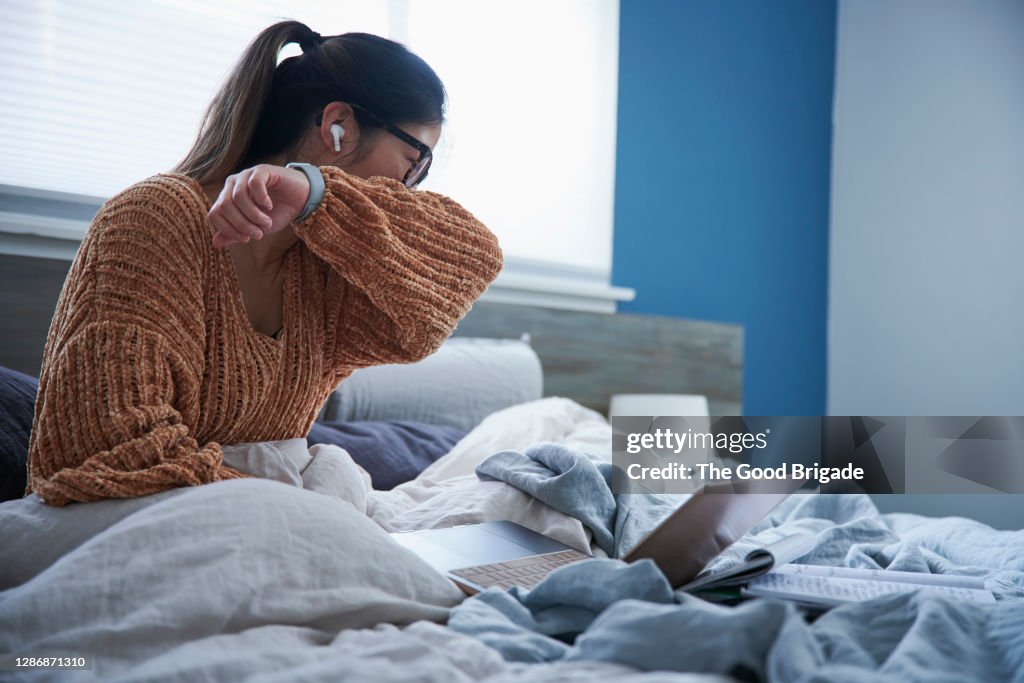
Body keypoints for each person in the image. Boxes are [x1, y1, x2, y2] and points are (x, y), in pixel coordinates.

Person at [24, 20, 504, 507]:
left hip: (255, 519)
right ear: (338, 125)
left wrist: (315, 192)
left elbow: (472, 260)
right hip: (127, 521)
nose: (409, 187)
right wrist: (297, 511)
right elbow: (106, 453)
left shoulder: (322, 272)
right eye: (413, 158)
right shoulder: (156, 216)